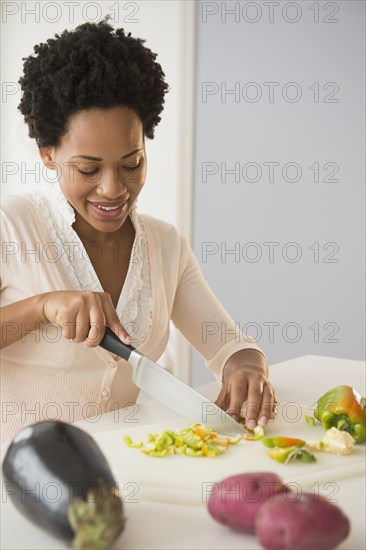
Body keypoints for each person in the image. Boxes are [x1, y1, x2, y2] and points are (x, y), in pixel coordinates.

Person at [0, 18, 276, 442]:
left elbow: (228, 345)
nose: (113, 189)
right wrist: (42, 307)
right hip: (16, 480)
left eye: (131, 164)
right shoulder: (12, 224)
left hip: (121, 476)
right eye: (89, 168)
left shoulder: (165, 245)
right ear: (48, 154)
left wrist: (248, 367)